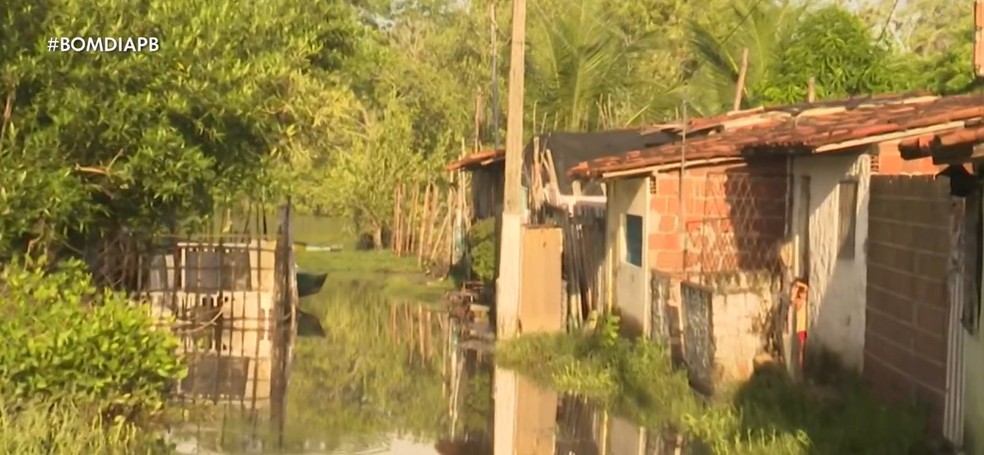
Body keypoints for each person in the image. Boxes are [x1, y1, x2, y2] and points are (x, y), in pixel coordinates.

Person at [791, 279, 809, 377]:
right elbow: (792, 299)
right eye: (802, 293)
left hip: (804, 329)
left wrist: (799, 285)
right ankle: (800, 369)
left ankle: (801, 368)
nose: (804, 295)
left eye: (804, 293)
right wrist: (796, 287)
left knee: (802, 350)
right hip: (800, 329)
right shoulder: (799, 302)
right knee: (800, 350)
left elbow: (807, 288)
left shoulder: (805, 301)